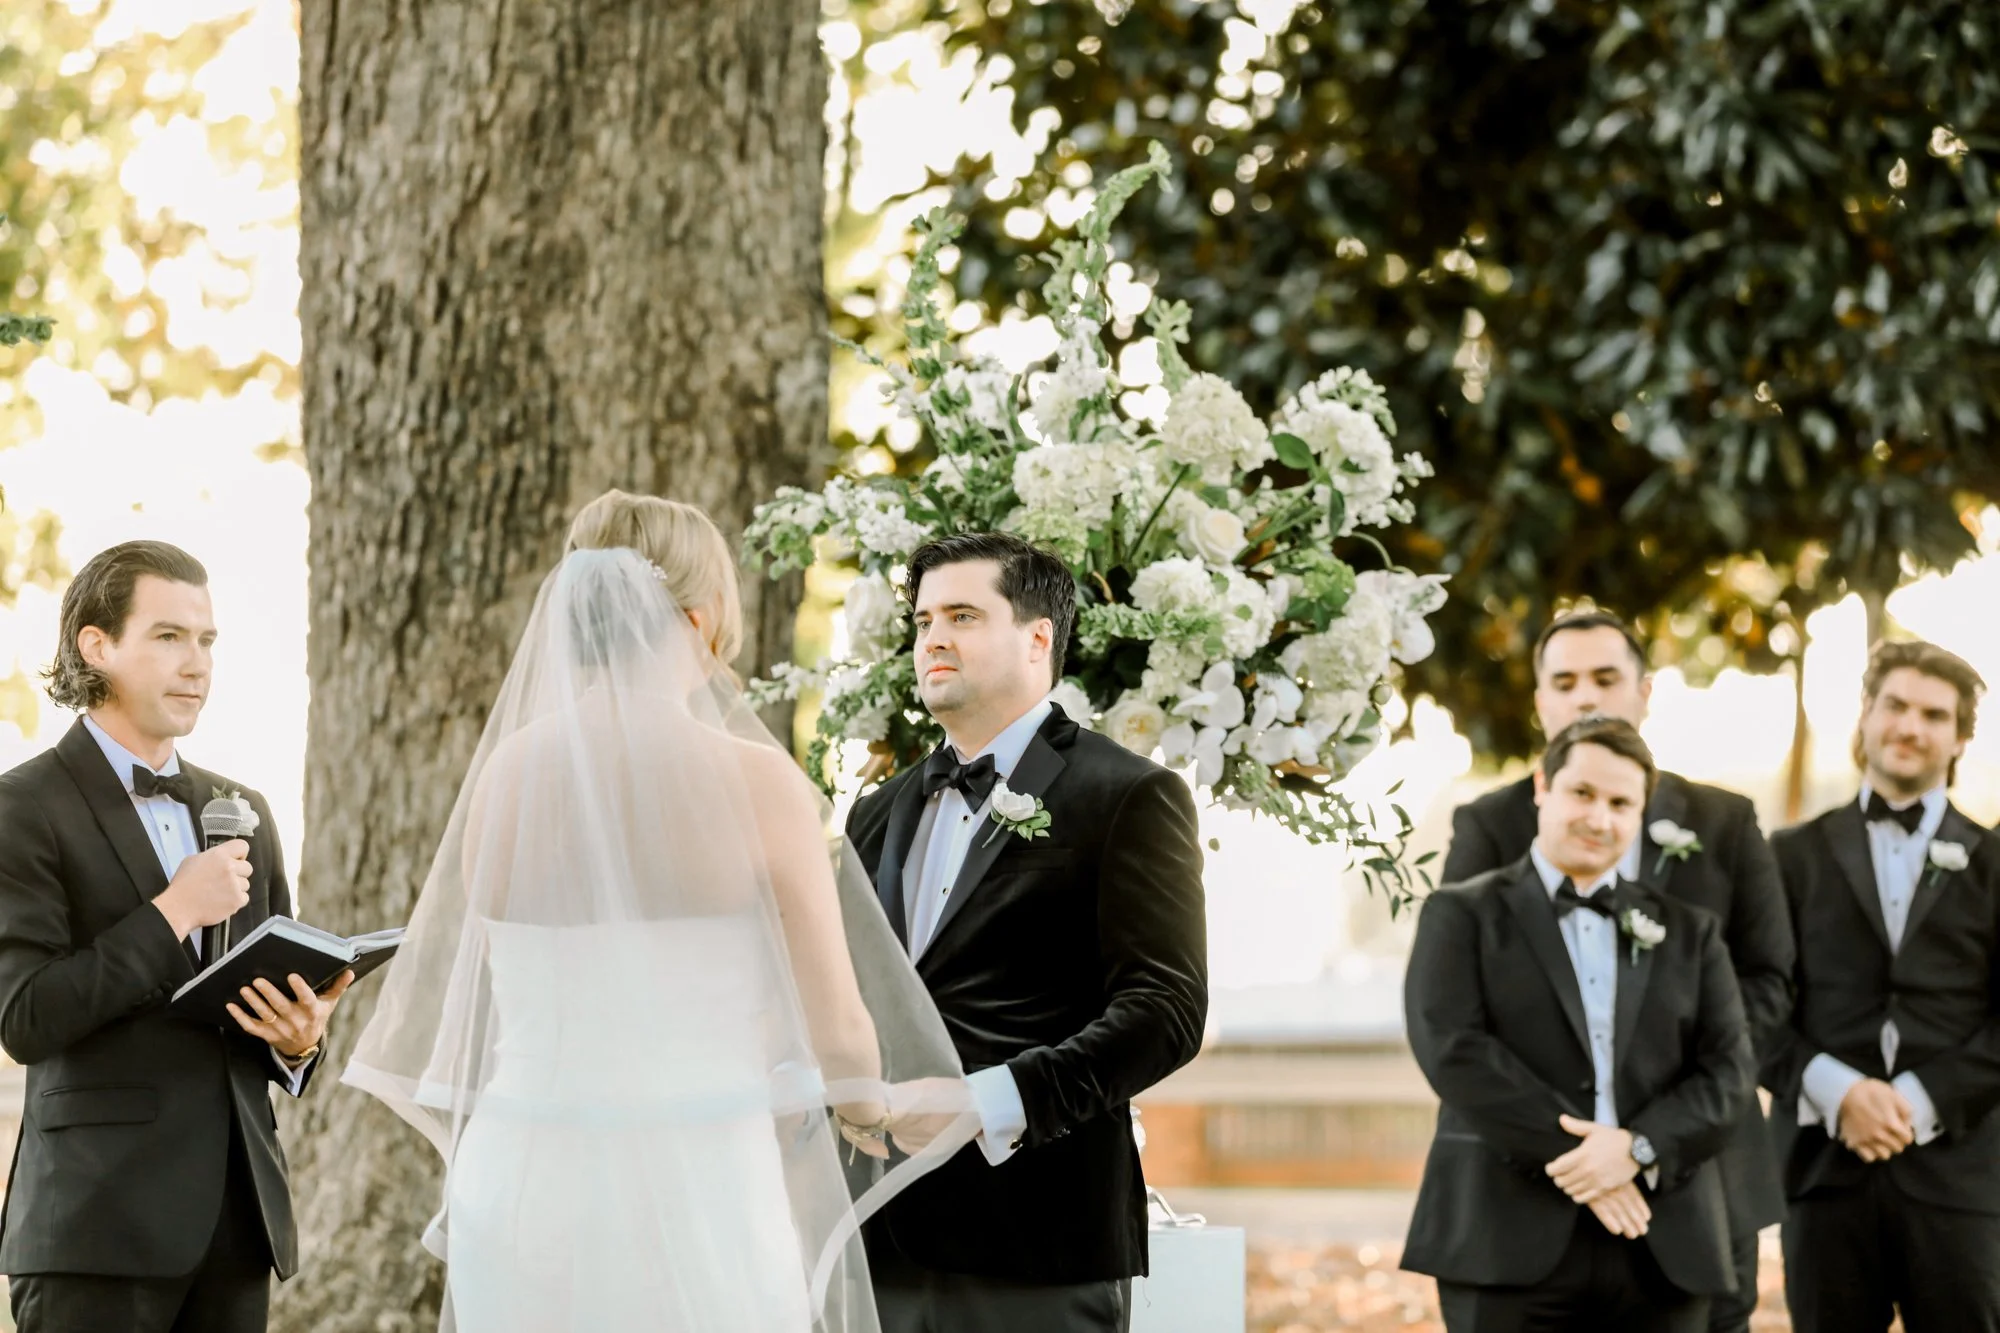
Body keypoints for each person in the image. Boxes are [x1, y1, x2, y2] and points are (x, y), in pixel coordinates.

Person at [344, 491, 978, 1333]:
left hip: (522, 1172)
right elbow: (840, 1027)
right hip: (698, 1174)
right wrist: (867, 1112)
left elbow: (503, 986)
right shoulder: (756, 783)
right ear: (704, 614)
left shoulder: (502, 782)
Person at [843, 532, 1208, 1333]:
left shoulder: (1129, 795)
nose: (932, 637)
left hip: (1037, 1242)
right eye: (922, 619)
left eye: (963, 615)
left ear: (1039, 637)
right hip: (877, 1243)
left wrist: (985, 1103)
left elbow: (1166, 1011)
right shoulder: (876, 811)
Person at [0, 540, 350, 1333]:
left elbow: (251, 1000)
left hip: (235, 1219)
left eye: (207, 641)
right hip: (95, 1226)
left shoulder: (243, 806)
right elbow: (26, 1016)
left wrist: (297, 1042)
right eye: (168, 637)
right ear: (98, 645)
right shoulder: (22, 806)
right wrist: (171, 913)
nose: (197, 664)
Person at [1442, 610, 1791, 1331]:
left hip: (1700, 1174)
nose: (1584, 696)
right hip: (1524, 1184)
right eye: (1563, 681)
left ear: (1645, 691)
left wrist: (1648, 1129)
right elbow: (1460, 1011)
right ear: (1540, 700)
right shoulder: (1487, 825)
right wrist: (1584, 1144)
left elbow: (1769, 980)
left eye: (1605, 677)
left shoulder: (1724, 822)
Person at [1404, 715, 1754, 1332]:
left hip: (1663, 1243)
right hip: (1504, 1238)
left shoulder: (1691, 932)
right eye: (1583, 794)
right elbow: (1452, 1049)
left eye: (1622, 803)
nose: (1600, 818)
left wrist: (1637, 1149)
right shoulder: (1460, 913)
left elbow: (1728, 1074)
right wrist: (1586, 1159)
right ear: (1543, 787)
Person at [1763, 639, 2000, 1331]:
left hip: (1960, 1175)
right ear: (1865, 713)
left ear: (1958, 737)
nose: (1909, 725)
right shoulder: (1788, 856)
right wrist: (1839, 1091)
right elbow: (1755, 1008)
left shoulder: (1994, 864)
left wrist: (1918, 1099)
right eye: (1894, 704)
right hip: (1822, 1174)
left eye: (1933, 714)